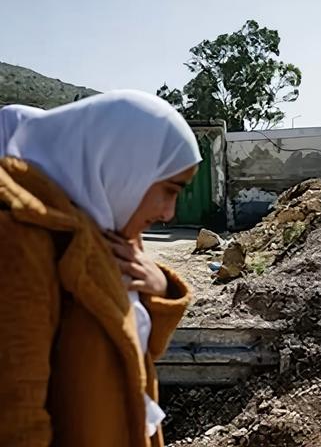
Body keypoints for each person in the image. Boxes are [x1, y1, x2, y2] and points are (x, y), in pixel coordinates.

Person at [0, 90, 202, 446]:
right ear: (124, 165)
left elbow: (132, 361)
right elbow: (17, 413)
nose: (169, 213)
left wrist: (158, 290)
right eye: (169, 190)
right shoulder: (21, 238)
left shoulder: (111, 233)